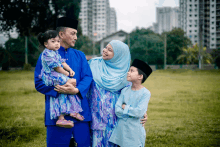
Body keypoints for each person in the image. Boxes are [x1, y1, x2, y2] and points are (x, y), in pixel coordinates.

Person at [35, 17, 93, 147]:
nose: (76, 37)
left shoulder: (80, 55)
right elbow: (39, 82)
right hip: (56, 116)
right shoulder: (45, 55)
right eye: (73, 33)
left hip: (81, 115)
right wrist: (60, 90)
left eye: (76, 34)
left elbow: (88, 77)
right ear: (61, 34)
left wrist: (76, 90)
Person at [87, 40, 148, 147]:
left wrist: (143, 114)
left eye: (110, 50)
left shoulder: (126, 74)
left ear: (119, 55)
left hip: (118, 121)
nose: (105, 50)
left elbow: (133, 97)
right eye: (105, 47)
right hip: (96, 118)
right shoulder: (93, 64)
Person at [37, 30, 84, 128]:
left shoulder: (55, 52)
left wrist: (70, 70)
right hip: (50, 77)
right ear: (46, 44)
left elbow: (62, 63)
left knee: (69, 88)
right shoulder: (46, 54)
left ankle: (71, 112)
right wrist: (66, 74)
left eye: (58, 41)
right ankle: (61, 117)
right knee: (70, 85)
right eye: (53, 41)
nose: (57, 44)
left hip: (56, 76)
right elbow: (57, 67)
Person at [109, 59, 152, 147]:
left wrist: (125, 107)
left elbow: (139, 112)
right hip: (122, 132)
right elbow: (117, 110)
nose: (128, 73)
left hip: (135, 133)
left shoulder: (145, 93)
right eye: (128, 70)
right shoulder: (124, 91)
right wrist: (132, 112)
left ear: (140, 76)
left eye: (131, 71)